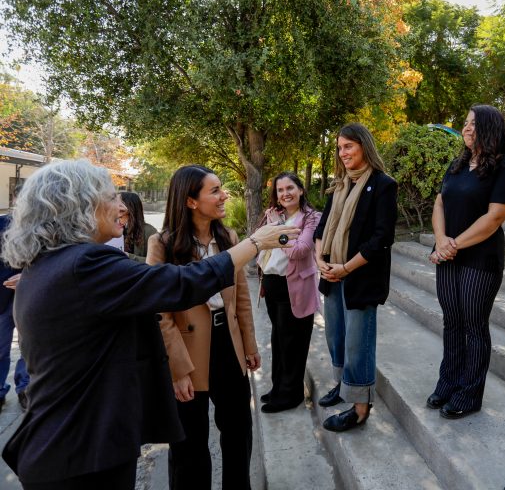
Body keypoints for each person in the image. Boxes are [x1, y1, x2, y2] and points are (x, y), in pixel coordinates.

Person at [0, 159, 295, 490]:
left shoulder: (52, 266)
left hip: (71, 445)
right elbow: (182, 284)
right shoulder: (84, 265)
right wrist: (256, 243)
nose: (123, 206)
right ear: (80, 206)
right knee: (190, 447)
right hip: (82, 453)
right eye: (111, 197)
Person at [146, 164, 263, 489]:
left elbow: (241, 298)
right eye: (215, 191)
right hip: (187, 351)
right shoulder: (163, 244)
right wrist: (177, 370)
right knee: (189, 444)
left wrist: (249, 345)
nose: (224, 195)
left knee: (239, 432)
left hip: (228, 343)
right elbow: (159, 313)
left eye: (221, 188)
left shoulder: (229, 238)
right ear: (191, 200)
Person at [426, 104, 505, 419]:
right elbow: (439, 203)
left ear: (489, 128)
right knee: (451, 321)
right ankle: (448, 383)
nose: (466, 128)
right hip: (448, 255)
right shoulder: (457, 164)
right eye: (465, 123)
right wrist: (441, 240)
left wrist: (452, 245)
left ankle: (469, 394)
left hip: (480, 258)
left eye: (473, 124)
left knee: (474, 326)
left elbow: (494, 218)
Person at [314, 123, 397, 432]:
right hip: (332, 273)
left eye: (348, 146)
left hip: (360, 276)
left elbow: (382, 238)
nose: (342, 152)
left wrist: (346, 268)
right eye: (339, 147)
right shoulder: (339, 185)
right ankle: (343, 386)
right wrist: (319, 260)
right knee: (335, 336)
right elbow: (322, 228)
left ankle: (360, 407)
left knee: (357, 342)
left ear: (364, 145)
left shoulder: (383, 184)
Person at [258, 172, 321, 413]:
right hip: (272, 284)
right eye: (280, 190)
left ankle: (291, 394)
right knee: (278, 340)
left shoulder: (311, 217)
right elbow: (260, 244)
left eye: (290, 188)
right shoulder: (275, 215)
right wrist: (274, 225)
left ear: (301, 190)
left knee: (292, 343)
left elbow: (299, 251)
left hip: (294, 287)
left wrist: (278, 228)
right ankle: (278, 388)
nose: (285, 193)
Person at [0, 215, 29, 412]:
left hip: (29, 294)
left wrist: (28, 276)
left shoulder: (45, 224)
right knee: (1, 348)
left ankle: (24, 388)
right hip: (2, 297)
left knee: (27, 347)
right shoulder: (2, 223)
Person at [119, 191, 157, 262]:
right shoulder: (113, 230)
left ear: (131, 210)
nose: (117, 213)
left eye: (121, 210)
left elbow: (156, 262)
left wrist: (129, 256)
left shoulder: (149, 232)